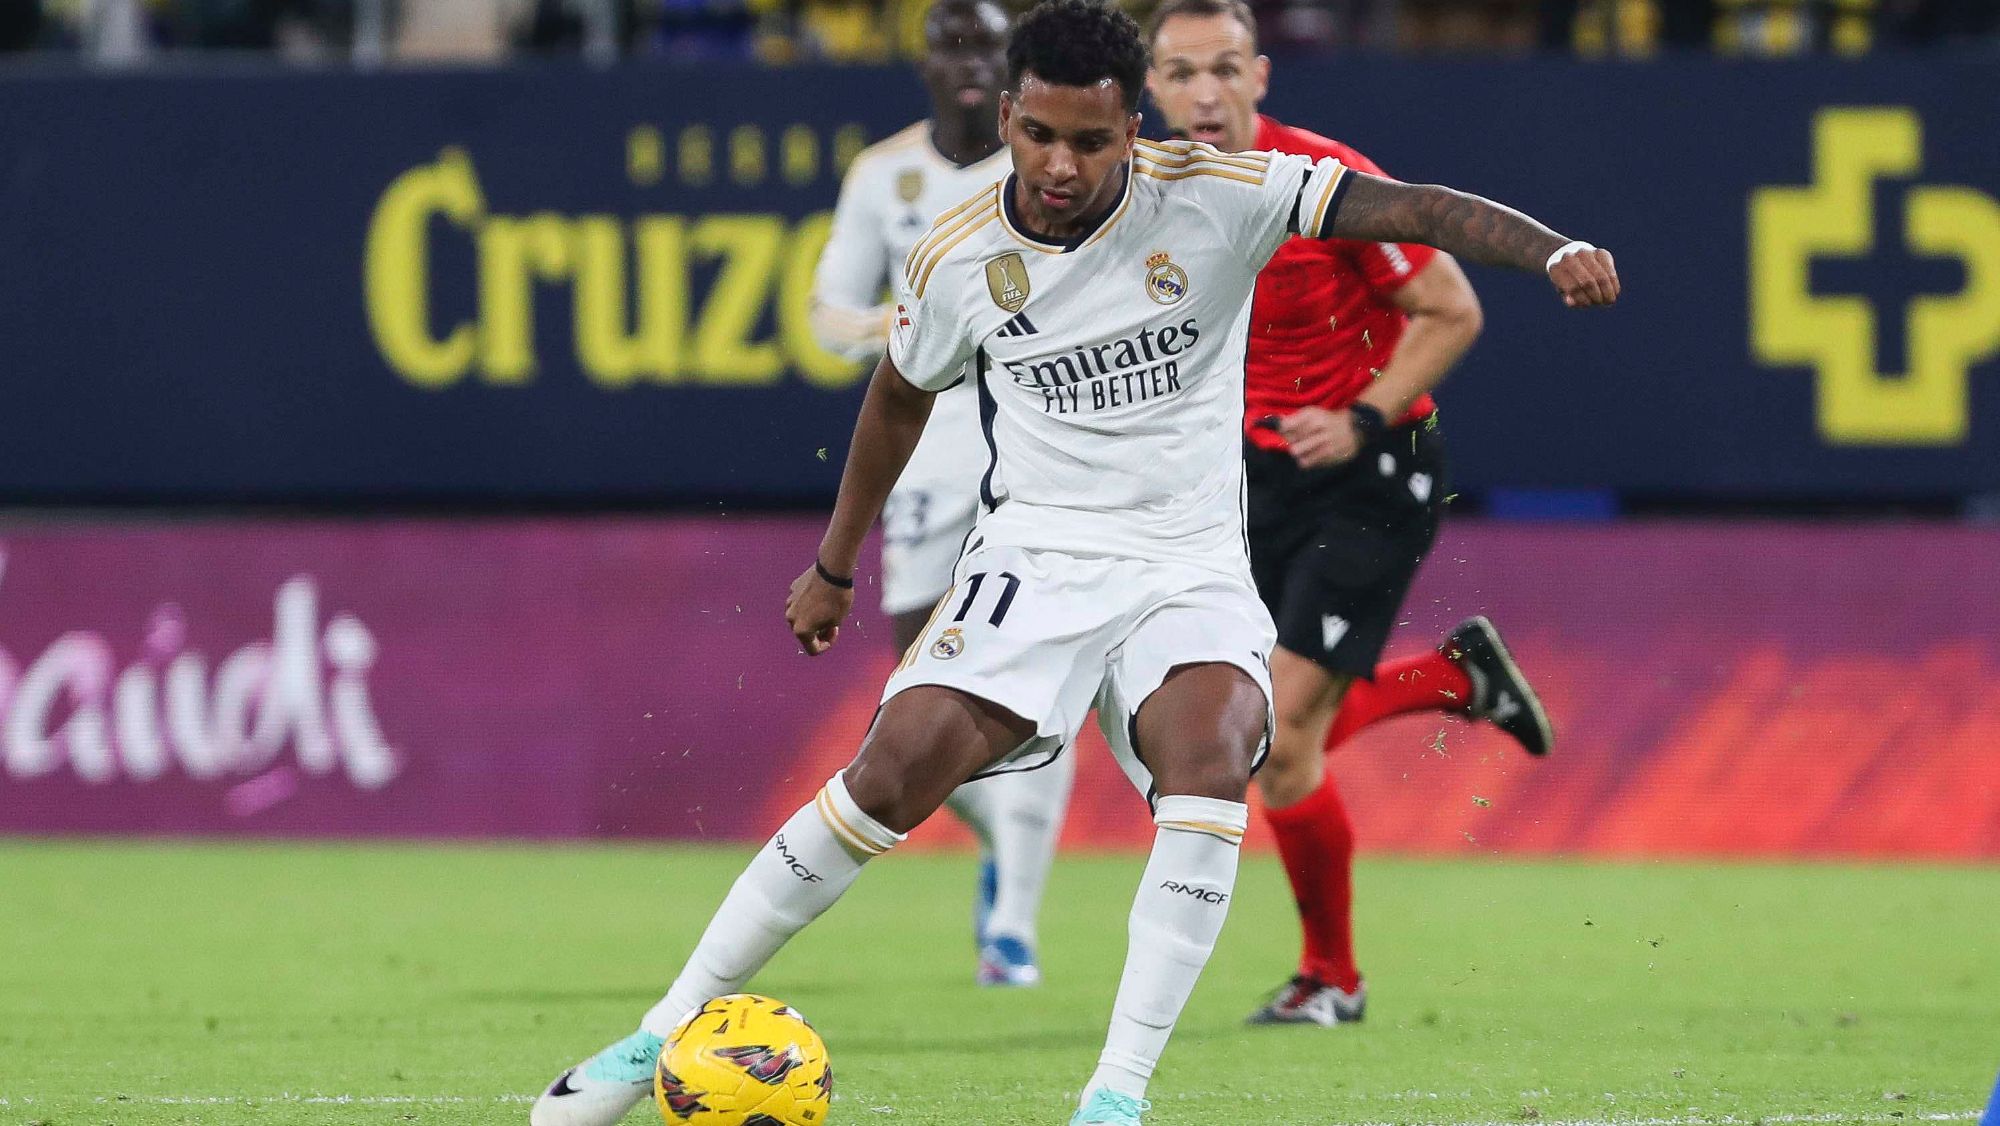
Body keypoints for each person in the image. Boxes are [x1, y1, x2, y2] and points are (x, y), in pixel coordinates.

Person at [530, 3, 1618, 1124]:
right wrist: (834, 563)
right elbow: (897, 396)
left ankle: (1113, 1098)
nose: (1060, 164)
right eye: (1038, 134)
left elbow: (1417, 209)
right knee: (890, 775)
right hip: (1037, 554)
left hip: (1189, 562)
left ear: (1129, 123)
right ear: (1006, 113)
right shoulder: (958, 256)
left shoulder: (1222, 193)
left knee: (1215, 753)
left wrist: (1552, 250)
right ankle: (657, 1032)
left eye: (1091, 141)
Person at [1144, 0, 1556, 1027]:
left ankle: (1332, 978)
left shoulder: (1320, 182)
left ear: (1260, 75)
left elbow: (1451, 308)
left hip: (1371, 471)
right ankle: (1451, 676)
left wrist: (1361, 415)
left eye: (1224, 69)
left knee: (1273, 740)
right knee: (1258, 741)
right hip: (1247, 481)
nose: (1204, 93)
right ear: (1148, 88)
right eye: (1181, 72)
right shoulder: (1141, 196)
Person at [808, 0, 1074, 991]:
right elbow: (828, 317)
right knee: (916, 700)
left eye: (986, 46)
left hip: (1046, 446)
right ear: (920, 62)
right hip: (926, 447)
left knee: (1044, 686)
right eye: (948, 45)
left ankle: (1011, 926)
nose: (967, 63)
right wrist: (925, 319)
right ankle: (1006, 839)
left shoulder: (1049, 162)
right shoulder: (884, 176)